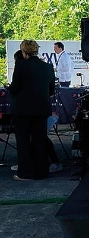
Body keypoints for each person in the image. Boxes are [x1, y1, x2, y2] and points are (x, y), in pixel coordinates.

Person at [9, 40, 55, 181]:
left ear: (24, 51)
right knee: (39, 140)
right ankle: (42, 172)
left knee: (23, 141)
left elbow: (15, 87)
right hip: (41, 108)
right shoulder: (48, 67)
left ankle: (26, 173)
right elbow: (51, 90)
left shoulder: (21, 65)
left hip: (23, 109)